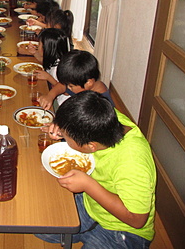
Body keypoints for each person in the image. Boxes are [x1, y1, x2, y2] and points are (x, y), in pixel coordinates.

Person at [36, 91, 156, 248]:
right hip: (92, 203)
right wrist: (63, 125)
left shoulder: (132, 162)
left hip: (123, 230)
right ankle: (87, 230)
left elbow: (137, 219)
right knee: (40, 227)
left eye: (67, 137)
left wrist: (88, 185)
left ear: (91, 146)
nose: (62, 136)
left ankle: (88, 232)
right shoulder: (106, 118)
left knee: (58, 227)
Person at [39, 49, 114, 109]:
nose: (68, 87)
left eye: (71, 86)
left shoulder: (100, 104)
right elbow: (62, 86)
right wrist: (50, 96)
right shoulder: (83, 84)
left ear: (89, 83)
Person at [33, 28, 70, 106]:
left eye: (39, 44)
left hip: (60, 103)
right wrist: (34, 53)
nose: (37, 46)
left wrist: (48, 77)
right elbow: (46, 63)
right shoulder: (54, 59)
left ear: (46, 49)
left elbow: (66, 91)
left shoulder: (60, 67)